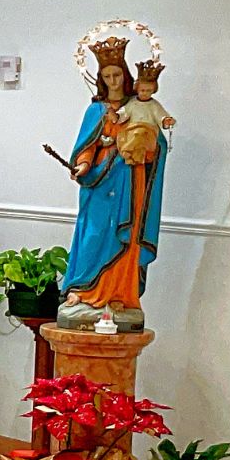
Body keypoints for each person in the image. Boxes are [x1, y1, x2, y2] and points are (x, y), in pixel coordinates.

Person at [57, 38, 167, 331]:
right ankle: (83, 290)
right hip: (100, 182)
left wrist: (147, 144)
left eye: (117, 74)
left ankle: (121, 295)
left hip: (130, 178)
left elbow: (157, 141)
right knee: (93, 234)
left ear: (125, 74)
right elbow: (86, 146)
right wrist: (82, 165)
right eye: (107, 76)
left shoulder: (139, 106)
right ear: (101, 78)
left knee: (126, 235)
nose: (113, 81)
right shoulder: (96, 110)